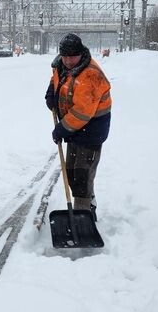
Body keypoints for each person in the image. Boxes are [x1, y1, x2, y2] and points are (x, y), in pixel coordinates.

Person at [45, 33, 112, 219]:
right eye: (64, 56)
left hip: (91, 129)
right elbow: (57, 80)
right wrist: (52, 94)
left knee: (82, 173)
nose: (67, 61)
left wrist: (62, 129)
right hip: (74, 128)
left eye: (72, 56)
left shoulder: (90, 75)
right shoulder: (61, 65)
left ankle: (83, 214)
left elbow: (83, 111)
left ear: (81, 54)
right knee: (72, 171)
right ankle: (88, 201)